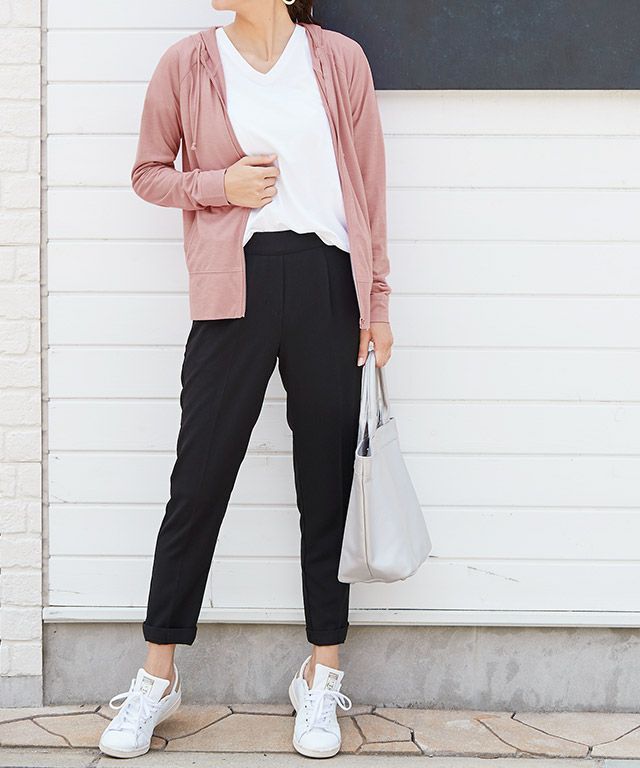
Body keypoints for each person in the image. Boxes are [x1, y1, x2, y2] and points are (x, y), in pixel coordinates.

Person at [99, 0, 393, 759]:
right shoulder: (188, 62)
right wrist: (218, 185)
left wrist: (377, 303)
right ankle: (158, 675)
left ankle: (322, 670)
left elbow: (368, 189)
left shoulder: (340, 61)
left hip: (328, 283)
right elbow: (148, 174)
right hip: (233, 287)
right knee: (198, 480)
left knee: (326, 484)